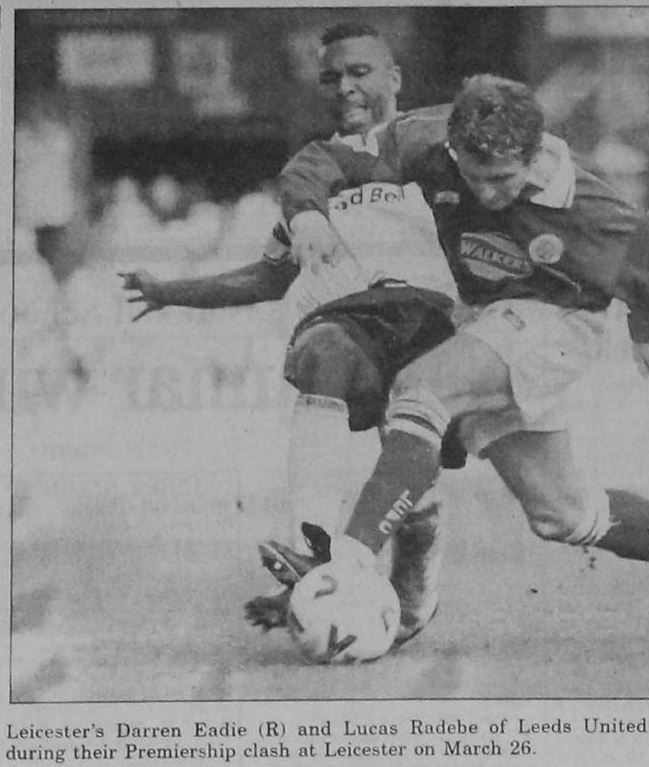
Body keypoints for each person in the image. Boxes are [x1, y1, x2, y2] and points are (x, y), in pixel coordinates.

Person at [267, 74, 649, 649]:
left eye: (502, 179)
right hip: (489, 318)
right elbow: (323, 159)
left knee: (422, 390)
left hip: (561, 321)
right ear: (453, 150)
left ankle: (347, 561)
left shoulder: (582, 206)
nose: (487, 193)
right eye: (474, 176)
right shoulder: (424, 139)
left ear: (535, 154)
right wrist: (307, 214)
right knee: (564, 515)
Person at [119, 23, 461, 646]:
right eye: (331, 77)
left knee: (438, 497)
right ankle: (316, 550)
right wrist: (170, 292)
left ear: (394, 78)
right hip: (362, 326)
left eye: (359, 72)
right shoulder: (312, 174)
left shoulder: (438, 144)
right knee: (319, 350)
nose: (345, 87)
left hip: (443, 328)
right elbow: (268, 276)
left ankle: (415, 567)